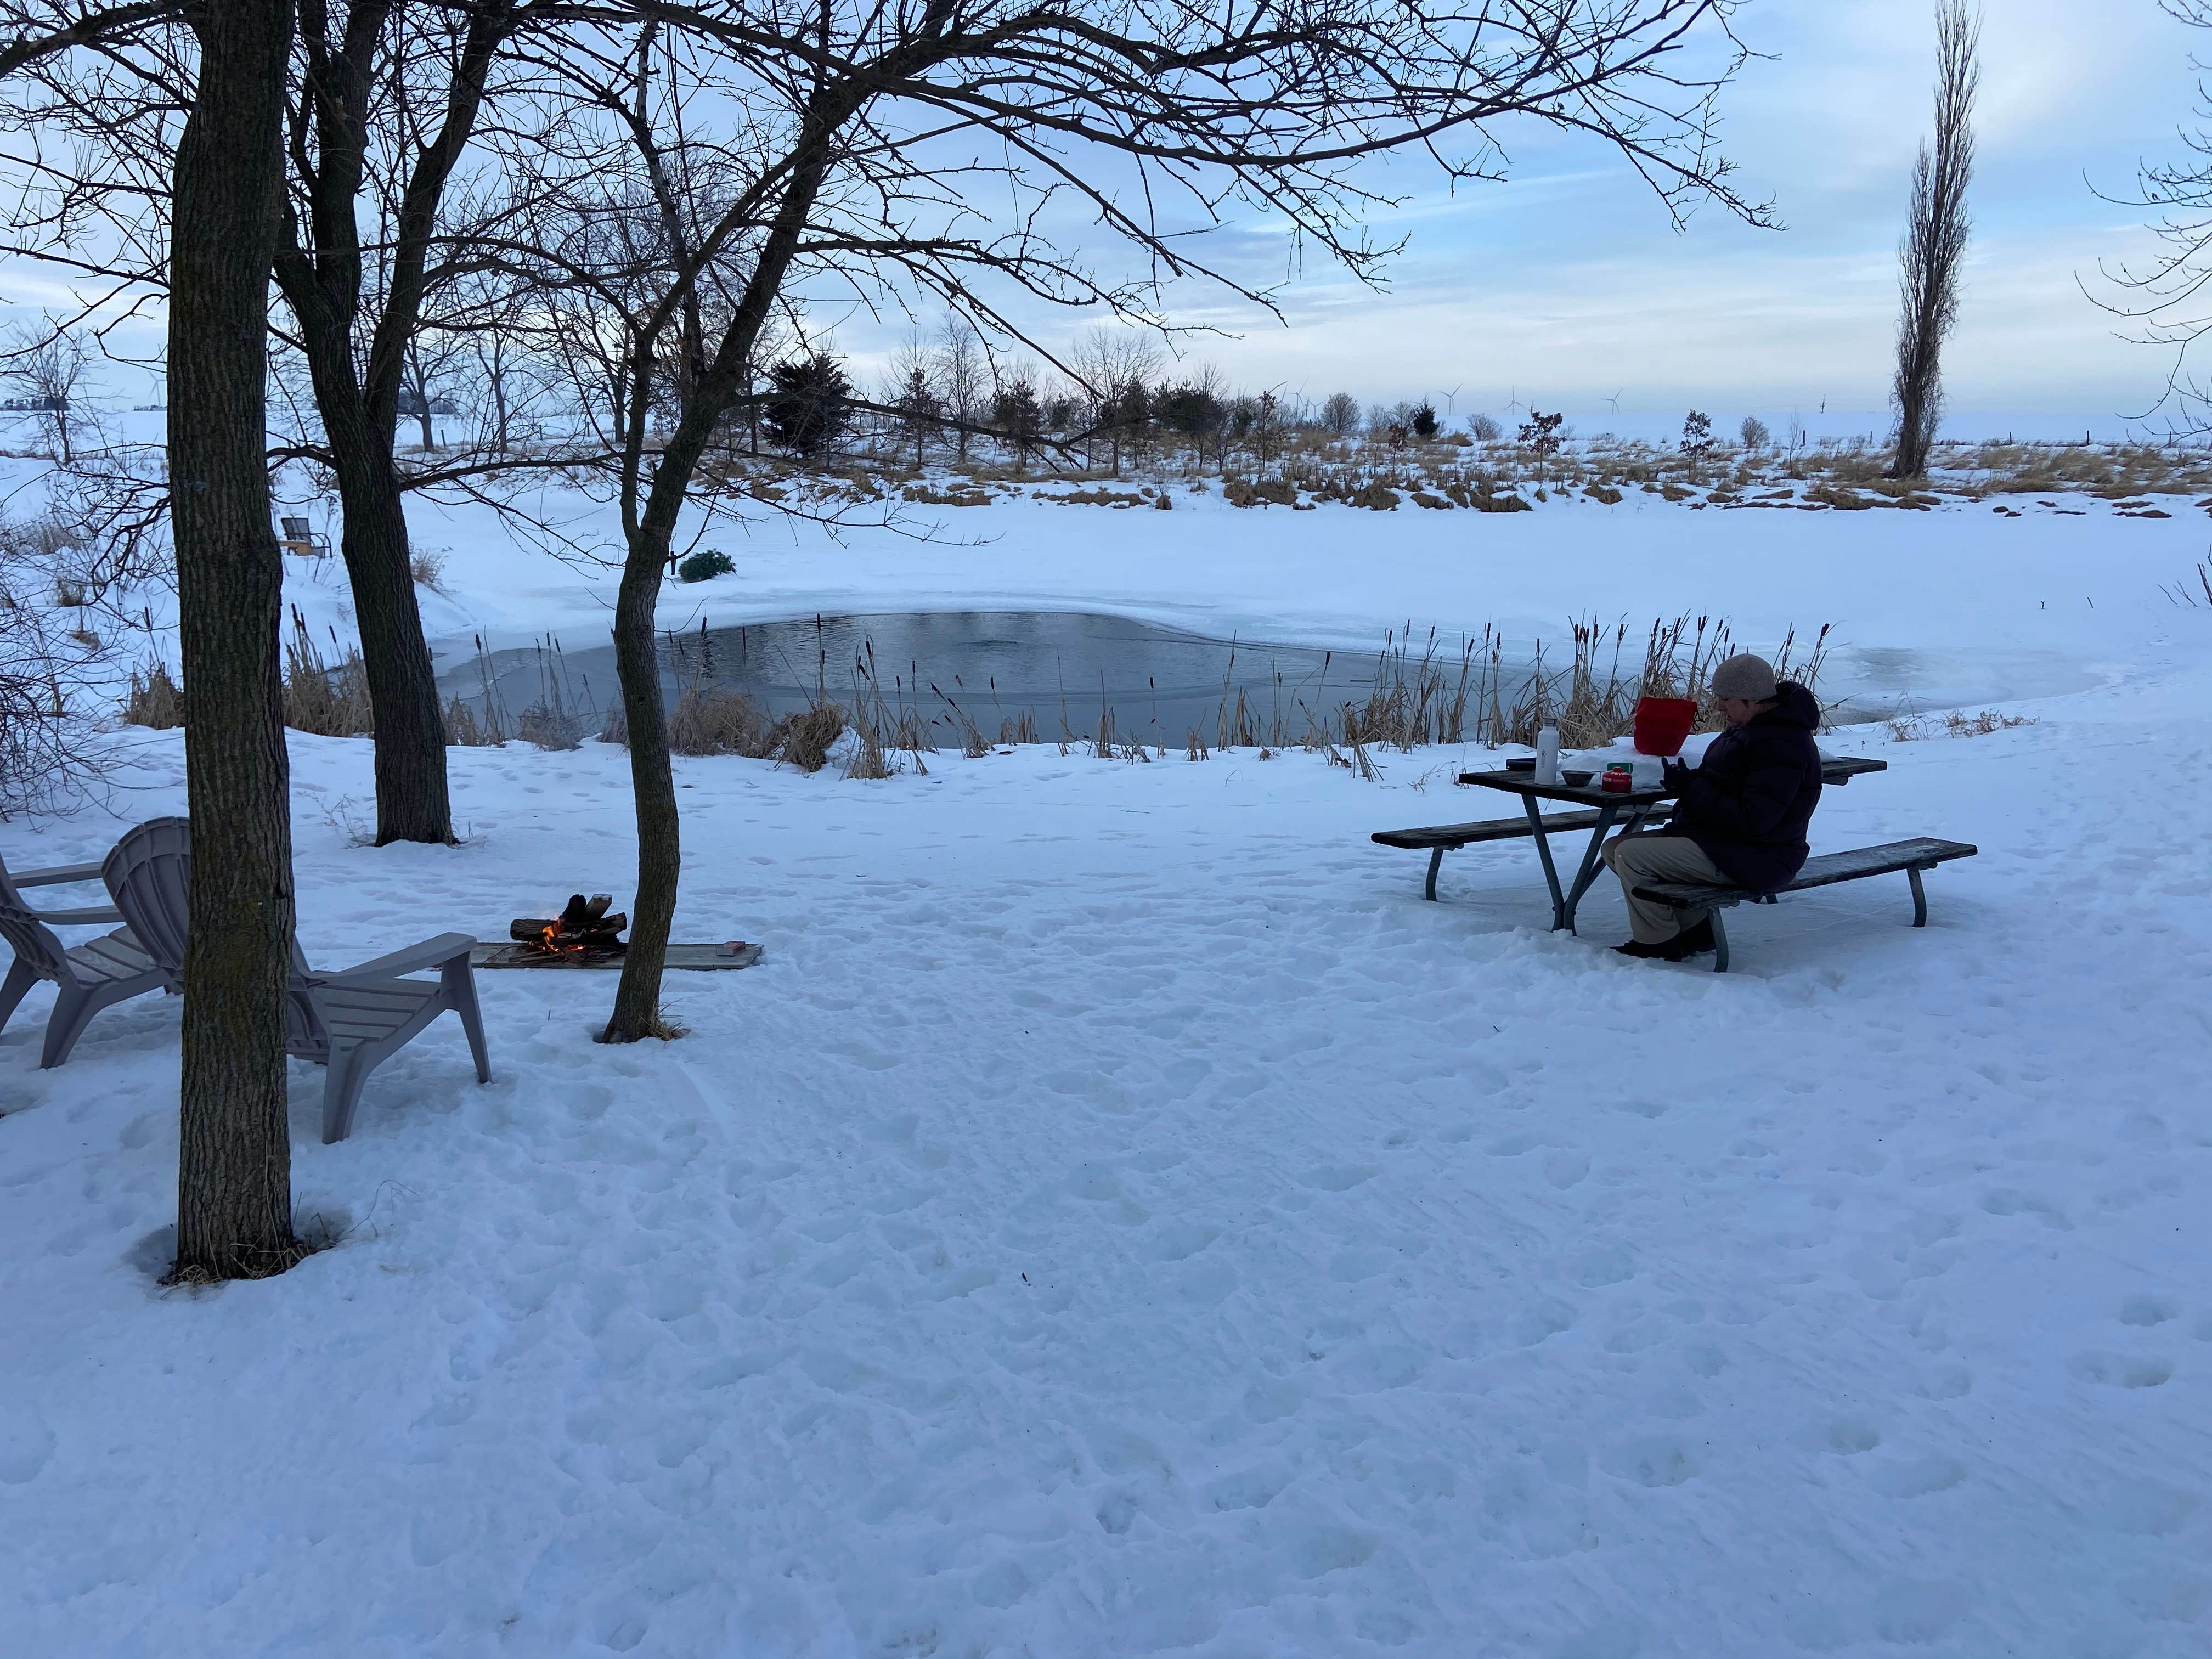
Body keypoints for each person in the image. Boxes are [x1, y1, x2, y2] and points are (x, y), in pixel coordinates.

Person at [1599, 653, 1823, 961]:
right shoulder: (1753, 729)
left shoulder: (1781, 744)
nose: (1719, 707)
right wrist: (1691, 784)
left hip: (1761, 855)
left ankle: (1657, 944)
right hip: (1727, 844)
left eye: (1726, 699)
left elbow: (1754, 820)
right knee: (1615, 848)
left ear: (1751, 699)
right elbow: (1731, 786)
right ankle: (1696, 929)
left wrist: (1694, 790)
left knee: (1632, 856)